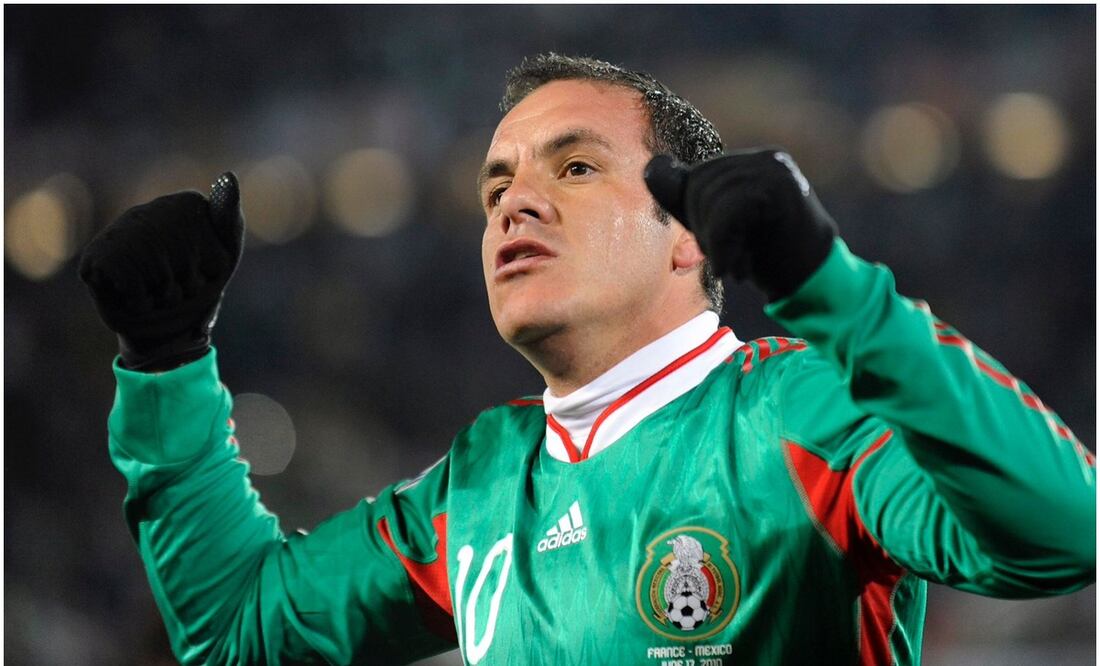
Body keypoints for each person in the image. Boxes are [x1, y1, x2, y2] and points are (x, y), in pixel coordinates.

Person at [79, 54, 1094, 665]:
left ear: (688, 232)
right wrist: (168, 365)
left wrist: (833, 287)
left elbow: (1066, 533)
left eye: (573, 167)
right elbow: (242, 636)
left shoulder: (801, 413)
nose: (514, 202)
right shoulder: (476, 484)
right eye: (494, 188)